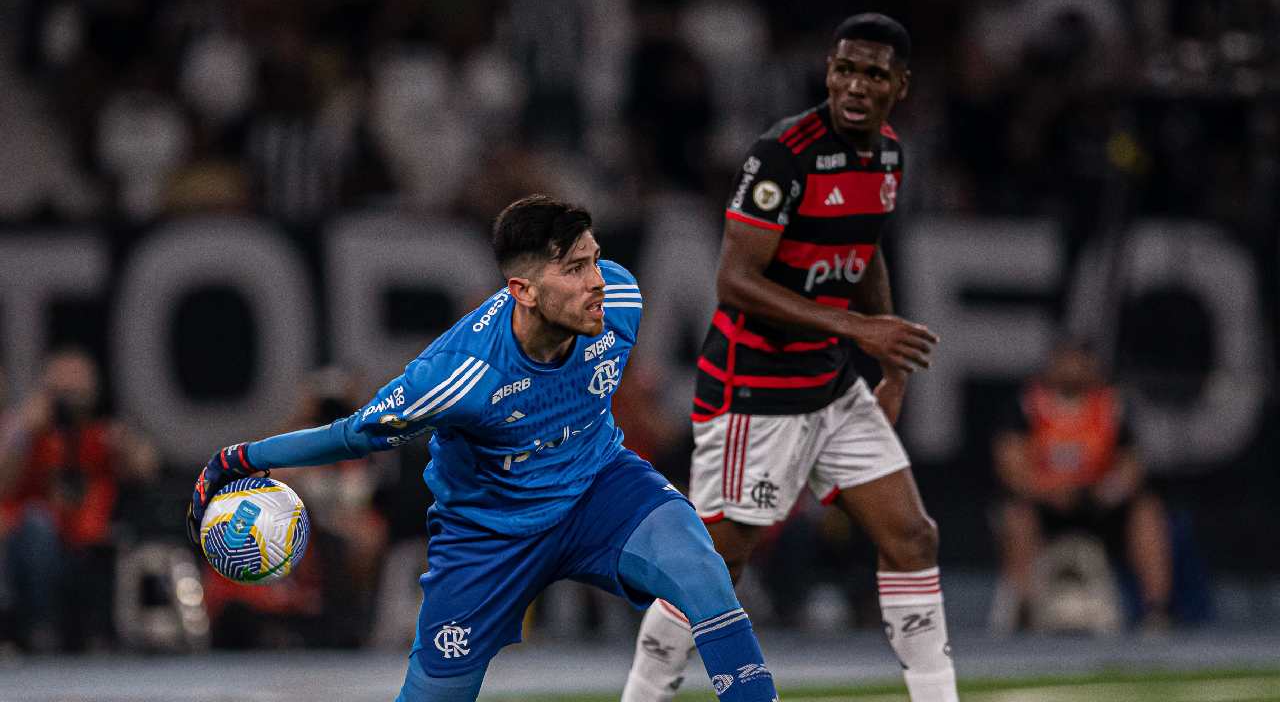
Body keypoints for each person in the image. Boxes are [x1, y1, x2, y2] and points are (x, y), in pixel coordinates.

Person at [186, 195, 781, 702]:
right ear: (522, 289)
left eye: (595, 259)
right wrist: (241, 459)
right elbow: (351, 433)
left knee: (703, 571)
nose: (599, 280)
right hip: (489, 535)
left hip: (601, 487)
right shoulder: (459, 374)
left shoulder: (619, 300)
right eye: (575, 269)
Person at [622, 14, 959, 702]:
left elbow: (863, 254)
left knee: (912, 536)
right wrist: (857, 331)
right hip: (755, 386)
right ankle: (643, 695)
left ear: (901, 84)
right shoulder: (784, 154)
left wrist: (886, 360)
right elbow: (735, 282)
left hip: (831, 384)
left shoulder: (887, 155)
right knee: (717, 564)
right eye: (844, 69)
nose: (854, 85)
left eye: (872, 73)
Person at [992, 339, 1172, 630]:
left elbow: (1132, 464)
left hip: (1097, 505)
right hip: (1046, 505)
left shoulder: (1113, 407)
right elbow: (1010, 466)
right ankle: (1023, 605)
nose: (1072, 368)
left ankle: (1157, 610)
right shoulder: (1027, 405)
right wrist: (1049, 491)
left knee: (1148, 511)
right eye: (1066, 360)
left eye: (1079, 361)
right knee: (1016, 516)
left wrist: (1107, 493)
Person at [0, 347, 153, 652]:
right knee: (36, 524)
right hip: (31, 554)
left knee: (107, 546)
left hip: (85, 547)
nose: (69, 402)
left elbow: (146, 468)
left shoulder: (101, 437)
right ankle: (38, 628)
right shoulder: (30, 437)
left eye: (77, 392)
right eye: (61, 393)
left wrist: (127, 444)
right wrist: (24, 431)